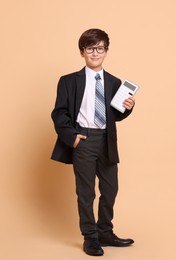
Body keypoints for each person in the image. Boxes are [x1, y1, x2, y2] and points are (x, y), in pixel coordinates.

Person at [51, 28, 135, 256]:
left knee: (111, 189)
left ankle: (105, 232)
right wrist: (73, 138)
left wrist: (128, 108)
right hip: (83, 139)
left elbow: (115, 114)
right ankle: (90, 237)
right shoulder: (68, 81)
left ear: (106, 51)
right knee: (86, 192)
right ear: (82, 52)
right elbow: (59, 113)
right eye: (90, 48)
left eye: (100, 48)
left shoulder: (114, 82)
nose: (95, 53)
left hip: (106, 139)